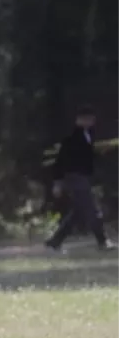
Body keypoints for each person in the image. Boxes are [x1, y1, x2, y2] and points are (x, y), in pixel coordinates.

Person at [45, 104, 116, 253]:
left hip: (83, 177)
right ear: (80, 120)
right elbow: (60, 161)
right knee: (92, 208)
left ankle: (55, 241)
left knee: (78, 212)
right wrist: (57, 183)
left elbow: (86, 158)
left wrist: (101, 152)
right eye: (88, 119)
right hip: (74, 178)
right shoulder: (70, 138)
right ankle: (102, 241)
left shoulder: (88, 135)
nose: (91, 122)